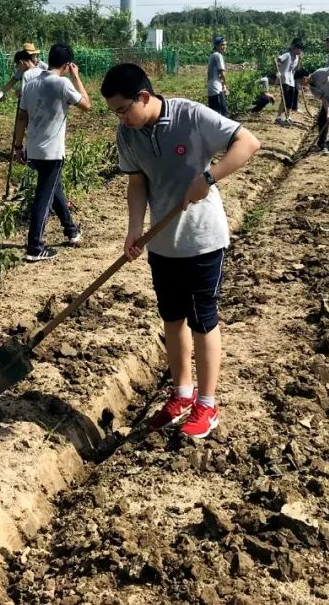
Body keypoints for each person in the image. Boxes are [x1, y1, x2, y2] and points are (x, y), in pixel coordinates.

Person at [101, 63, 261, 439]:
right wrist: (134, 230)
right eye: (116, 113)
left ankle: (207, 404)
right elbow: (137, 184)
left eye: (125, 110)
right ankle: (181, 395)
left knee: (203, 318)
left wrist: (208, 178)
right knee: (172, 318)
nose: (122, 120)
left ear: (144, 96)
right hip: (162, 244)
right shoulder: (129, 135)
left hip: (203, 240)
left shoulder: (190, 115)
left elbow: (248, 143)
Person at [13, 43, 91, 261]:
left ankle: (71, 230)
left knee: (54, 189)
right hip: (52, 152)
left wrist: (18, 146)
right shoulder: (62, 84)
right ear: (67, 65)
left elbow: (22, 117)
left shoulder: (31, 83)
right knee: (43, 197)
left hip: (34, 149)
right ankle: (35, 247)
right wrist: (76, 78)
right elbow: (87, 104)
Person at [296, 64, 329, 154]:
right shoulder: (312, 89)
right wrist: (328, 113)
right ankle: (322, 145)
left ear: (304, 78)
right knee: (322, 120)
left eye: (299, 82)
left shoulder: (320, 73)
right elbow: (324, 100)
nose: (300, 84)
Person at [274, 38, 304, 126]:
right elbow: (276, 61)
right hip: (284, 79)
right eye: (299, 49)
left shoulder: (297, 57)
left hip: (291, 80)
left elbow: (297, 69)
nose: (300, 51)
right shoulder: (287, 55)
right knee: (285, 99)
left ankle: (288, 117)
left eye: (301, 49)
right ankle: (278, 117)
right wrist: (277, 72)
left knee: (290, 100)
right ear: (294, 48)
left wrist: (300, 60)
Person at [207, 36, 229, 117]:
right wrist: (225, 87)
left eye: (225, 45)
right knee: (223, 114)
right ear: (216, 46)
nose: (224, 47)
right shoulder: (218, 55)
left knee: (214, 114)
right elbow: (222, 73)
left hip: (211, 88)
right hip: (216, 89)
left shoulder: (212, 55)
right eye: (222, 45)